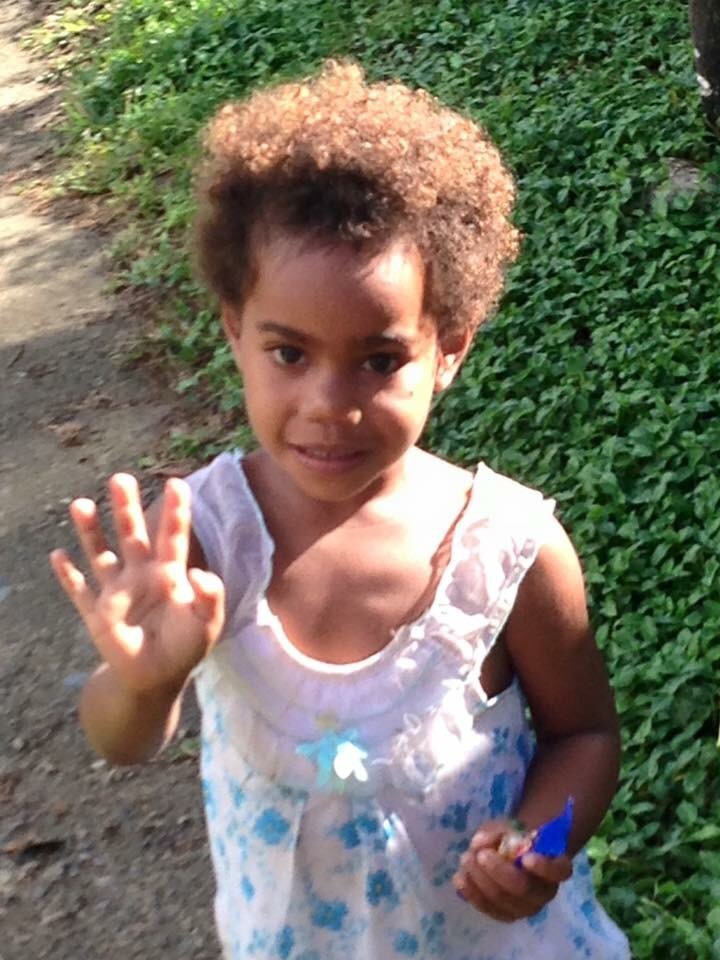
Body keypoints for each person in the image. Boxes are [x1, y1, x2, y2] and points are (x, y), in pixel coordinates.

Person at [50, 61, 630, 959]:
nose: (330, 404)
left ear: (448, 349)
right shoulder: (204, 537)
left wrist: (540, 842)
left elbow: (584, 735)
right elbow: (120, 741)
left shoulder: (508, 550)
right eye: (289, 353)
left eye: (379, 360)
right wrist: (143, 682)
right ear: (234, 330)